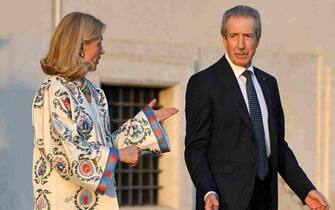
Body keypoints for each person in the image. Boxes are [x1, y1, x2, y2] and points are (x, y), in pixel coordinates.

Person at [184, 5, 329, 210]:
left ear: (258, 39)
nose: (241, 44)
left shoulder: (269, 83)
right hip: (223, 201)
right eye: (234, 36)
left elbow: (278, 146)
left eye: (248, 36)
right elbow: (195, 148)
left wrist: (305, 190)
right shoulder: (204, 83)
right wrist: (208, 190)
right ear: (224, 39)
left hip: (265, 199)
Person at [32, 12, 178, 210]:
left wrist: (144, 124)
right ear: (82, 46)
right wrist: (117, 155)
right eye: (99, 43)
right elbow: (64, 153)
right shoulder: (53, 90)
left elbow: (104, 144)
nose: (103, 51)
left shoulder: (95, 93)